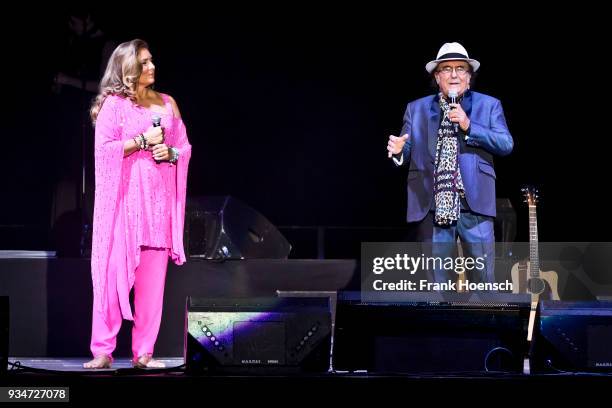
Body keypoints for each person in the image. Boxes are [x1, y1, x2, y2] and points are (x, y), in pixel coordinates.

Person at [84, 39, 191, 369]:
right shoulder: (114, 106)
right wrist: (143, 141)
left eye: (152, 60)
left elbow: (183, 149)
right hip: (123, 206)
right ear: (127, 69)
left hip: (157, 205)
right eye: (144, 63)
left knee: (152, 285)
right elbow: (103, 151)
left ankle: (144, 352)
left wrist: (169, 153)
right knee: (112, 278)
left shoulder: (168, 102)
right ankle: (102, 350)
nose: (152, 67)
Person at [387, 42, 513, 285]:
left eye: (460, 68)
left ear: (469, 76)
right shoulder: (416, 109)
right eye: (446, 68)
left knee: (483, 286)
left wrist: (469, 126)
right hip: (432, 208)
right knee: (436, 288)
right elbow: (406, 147)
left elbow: (506, 144)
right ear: (437, 76)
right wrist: (399, 151)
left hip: (474, 206)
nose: (454, 74)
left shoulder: (489, 105)